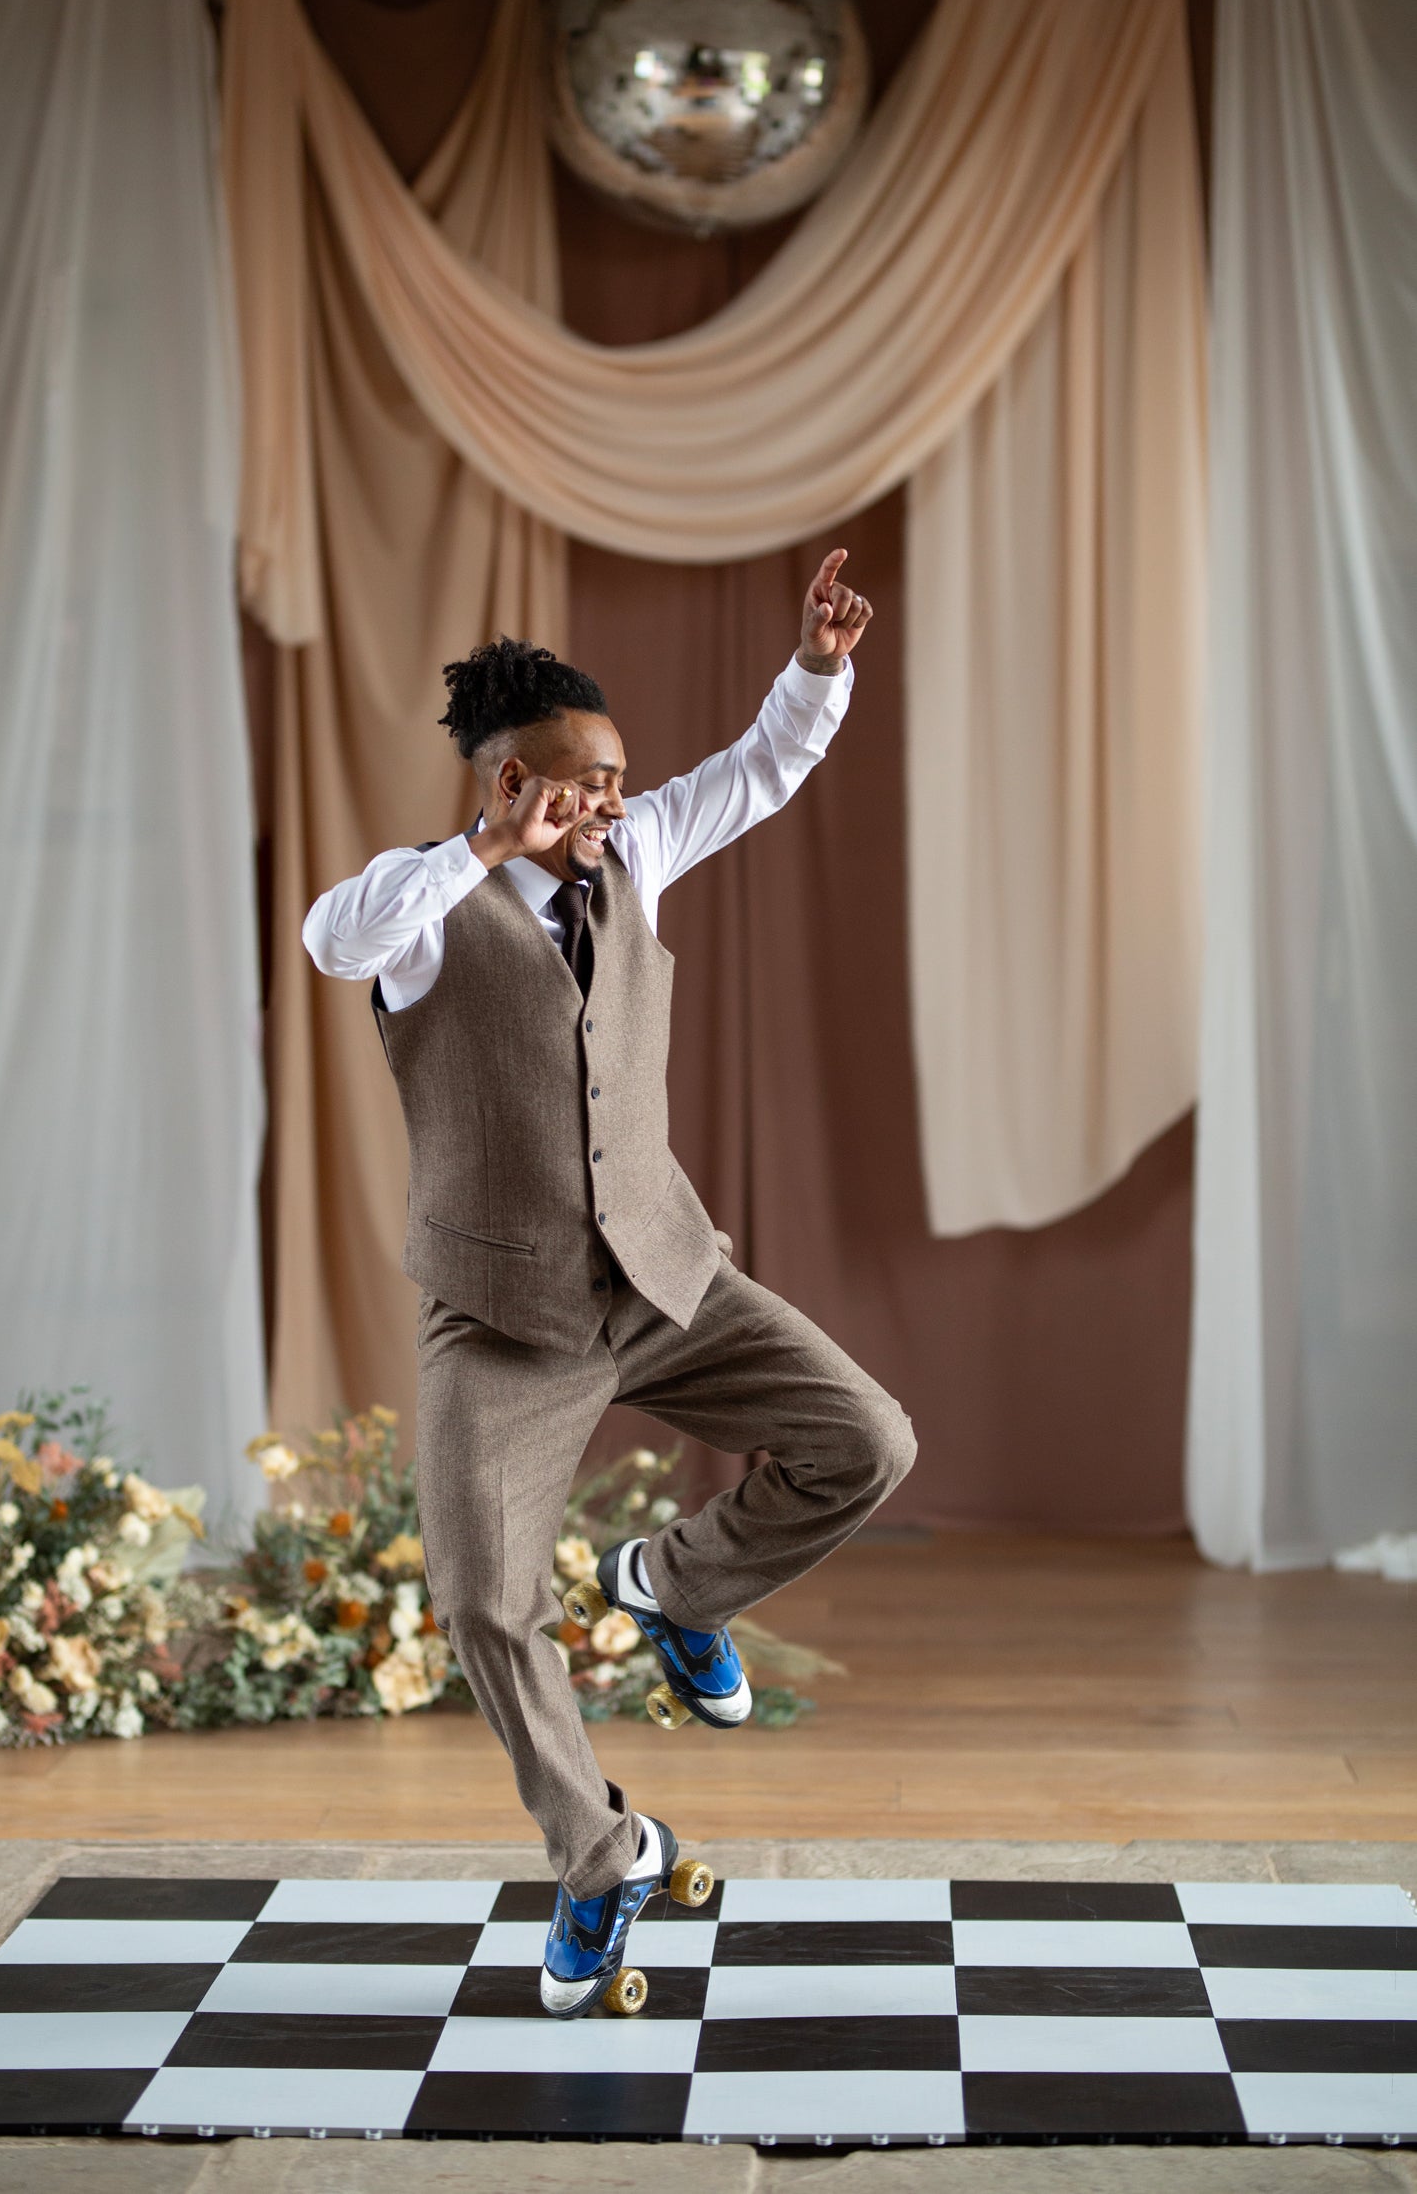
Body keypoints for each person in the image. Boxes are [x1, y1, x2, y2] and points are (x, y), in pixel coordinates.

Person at [303, 549, 915, 2017]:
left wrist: (817, 668)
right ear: (508, 781)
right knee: (481, 1598)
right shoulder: (425, 910)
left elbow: (758, 772)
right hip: (504, 1314)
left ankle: (673, 1587)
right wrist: (483, 849)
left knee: (867, 1441)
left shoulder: (634, 857)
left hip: (659, 1268)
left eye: (616, 778)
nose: (610, 803)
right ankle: (597, 1857)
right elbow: (338, 935)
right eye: (576, 783)